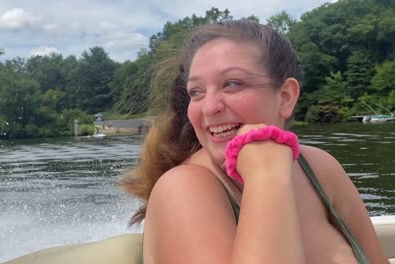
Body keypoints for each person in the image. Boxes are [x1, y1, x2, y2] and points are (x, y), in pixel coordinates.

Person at [120, 20, 388, 263]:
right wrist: (266, 177)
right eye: (196, 92)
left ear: (285, 97)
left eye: (232, 84)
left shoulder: (319, 167)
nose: (209, 107)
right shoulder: (183, 188)